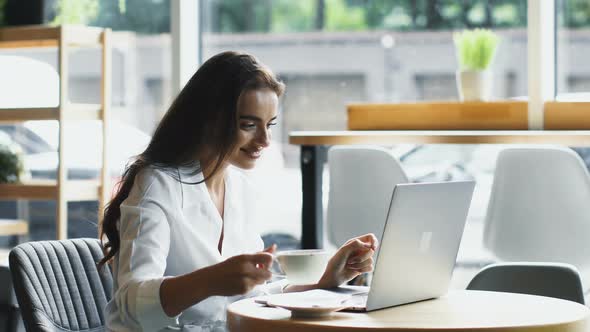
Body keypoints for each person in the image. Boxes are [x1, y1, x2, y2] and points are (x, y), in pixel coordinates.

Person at [100, 51, 377, 331]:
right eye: (248, 125)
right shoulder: (157, 184)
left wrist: (325, 280)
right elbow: (131, 304)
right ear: (208, 119)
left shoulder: (240, 187)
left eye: (269, 125)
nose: (265, 140)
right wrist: (211, 279)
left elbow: (253, 297)